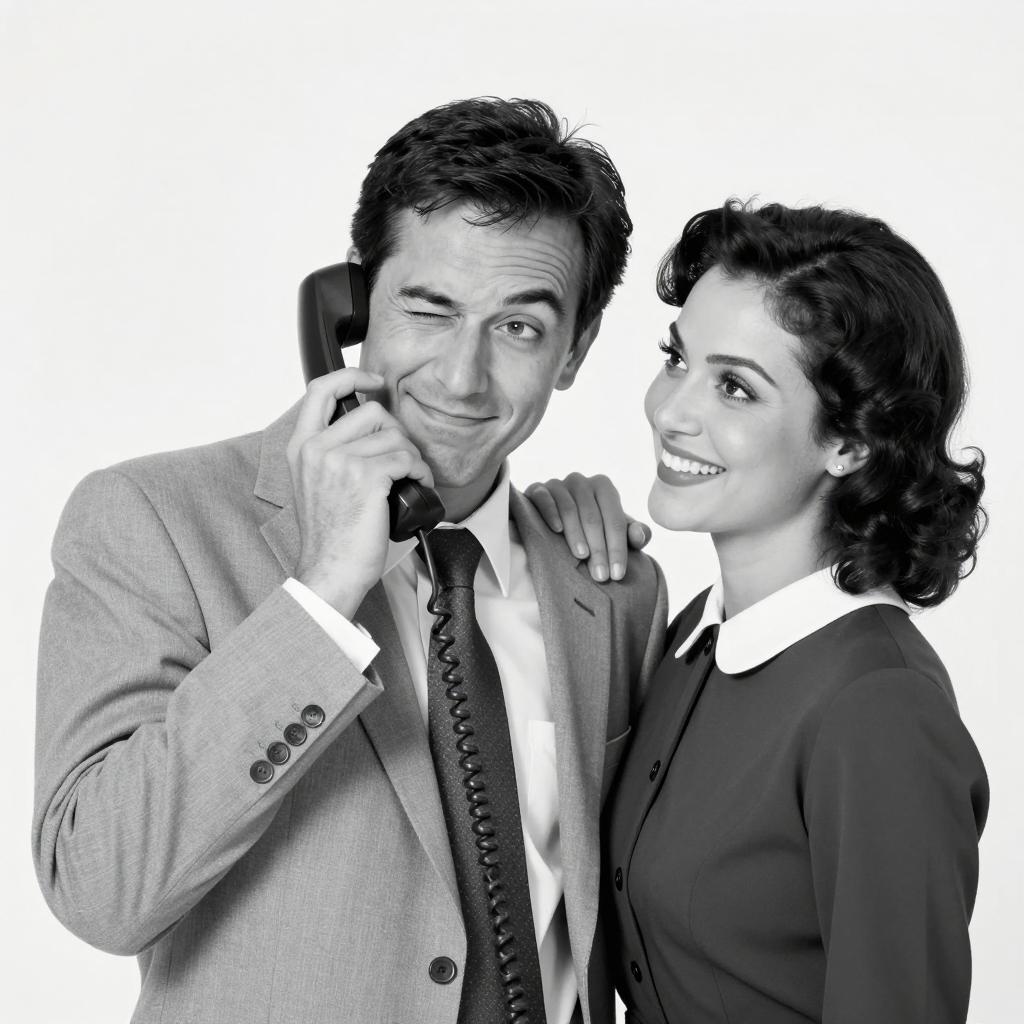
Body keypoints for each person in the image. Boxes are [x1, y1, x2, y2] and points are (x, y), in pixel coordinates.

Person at [33, 97, 667, 1024]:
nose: (462, 376)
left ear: (575, 348)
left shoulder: (611, 588)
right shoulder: (153, 521)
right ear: (352, 304)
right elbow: (99, 888)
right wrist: (325, 593)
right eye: (429, 309)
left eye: (519, 328)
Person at [527, 200, 989, 1023]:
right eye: (677, 359)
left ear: (850, 443)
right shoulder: (691, 640)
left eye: (735, 387)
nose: (672, 412)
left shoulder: (877, 709)